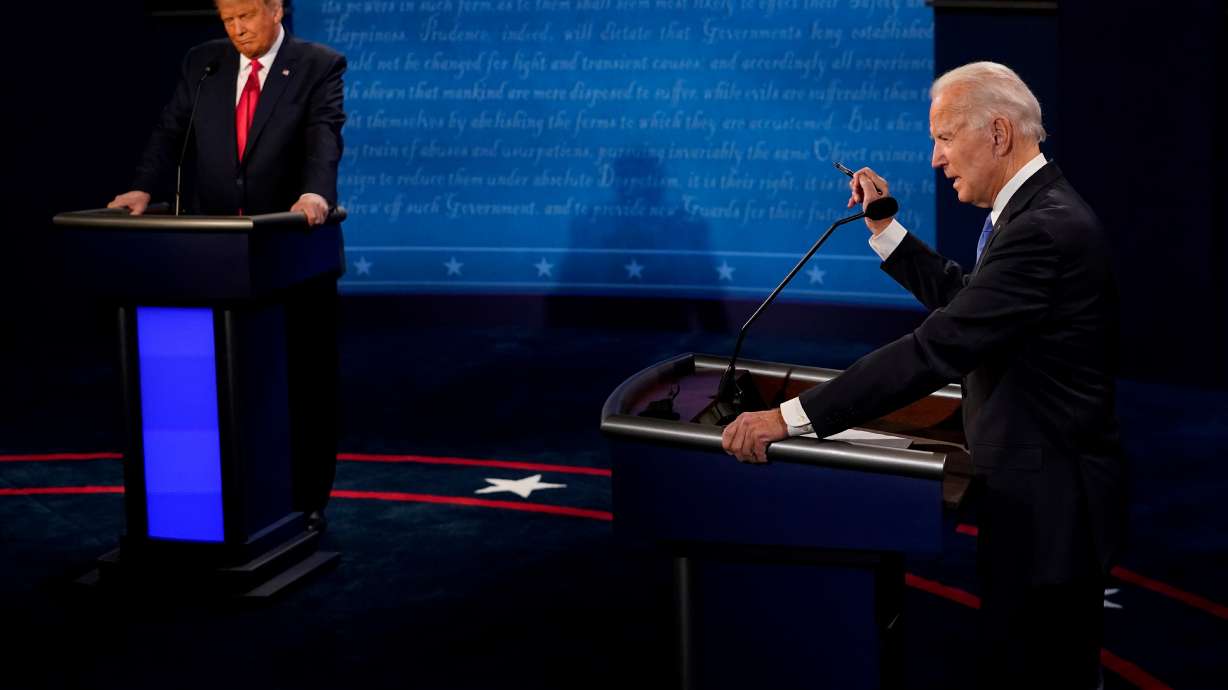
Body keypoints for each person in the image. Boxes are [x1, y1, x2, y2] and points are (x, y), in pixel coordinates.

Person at [721, 62, 1126, 690]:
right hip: (1040, 492)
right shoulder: (1035, 213)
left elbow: (936, 348)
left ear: (996, 133)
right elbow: (970, 302)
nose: (936, 159)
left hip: (1053, 508)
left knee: (1043, 671)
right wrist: (885, 229)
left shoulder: (1044, 230)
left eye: (943, 138)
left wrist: (788, 418)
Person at [109, 0, 348, 532]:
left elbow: (323, 137)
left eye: (247, 15)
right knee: (227, 385)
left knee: (302, 383)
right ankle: (233, 496)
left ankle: (308, 499)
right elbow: (171, 132)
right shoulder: (205, 63)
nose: (237, 29)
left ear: (276, 9)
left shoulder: (318, 64)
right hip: (214, 259)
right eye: (227, 19)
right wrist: (144, 186)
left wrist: (315, 193)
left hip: (291, 254)